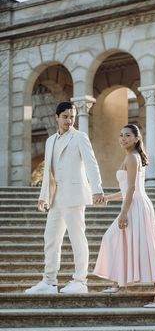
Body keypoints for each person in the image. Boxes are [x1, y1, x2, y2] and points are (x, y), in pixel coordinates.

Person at [25, 101, 104, 295]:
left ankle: (80, 280)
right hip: (56, 196)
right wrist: (43, 196)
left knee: (77, 238)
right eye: (66, 116)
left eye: (72, 117)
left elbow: (91, 164)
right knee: (50, 238)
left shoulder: (80, 137)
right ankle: (49, 282)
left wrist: (97, 189)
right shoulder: (50, 140)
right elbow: (47, 174)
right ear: (57, 117)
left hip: (75, 195)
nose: (69, 120)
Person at [93, 124, 155, 308]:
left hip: (137, 206)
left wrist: (124, 213)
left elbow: (133, 188)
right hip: (134, 203)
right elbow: (126, 189)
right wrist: (109, 199)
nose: (123, 138)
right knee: (115, 239)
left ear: (136, 138)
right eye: (121, 135)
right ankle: (117, 282)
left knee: (144, 246)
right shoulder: (129, 157)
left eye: (127, 135)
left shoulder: (132, 158)